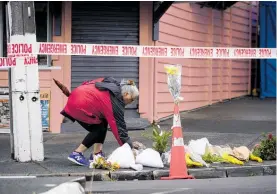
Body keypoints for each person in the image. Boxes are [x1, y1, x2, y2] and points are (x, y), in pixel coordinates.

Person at [54, 77, 139, 167]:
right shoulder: (114, 101)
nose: (132, 101)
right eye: (132, 98)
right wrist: (129, 148)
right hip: (79, 105)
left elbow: (91, 82)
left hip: (78, 98)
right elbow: (119, 128)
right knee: (98, 128)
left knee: (103, 123)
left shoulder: (111, 86)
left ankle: (97, 154)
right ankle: (77, 153)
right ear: (126, 94)